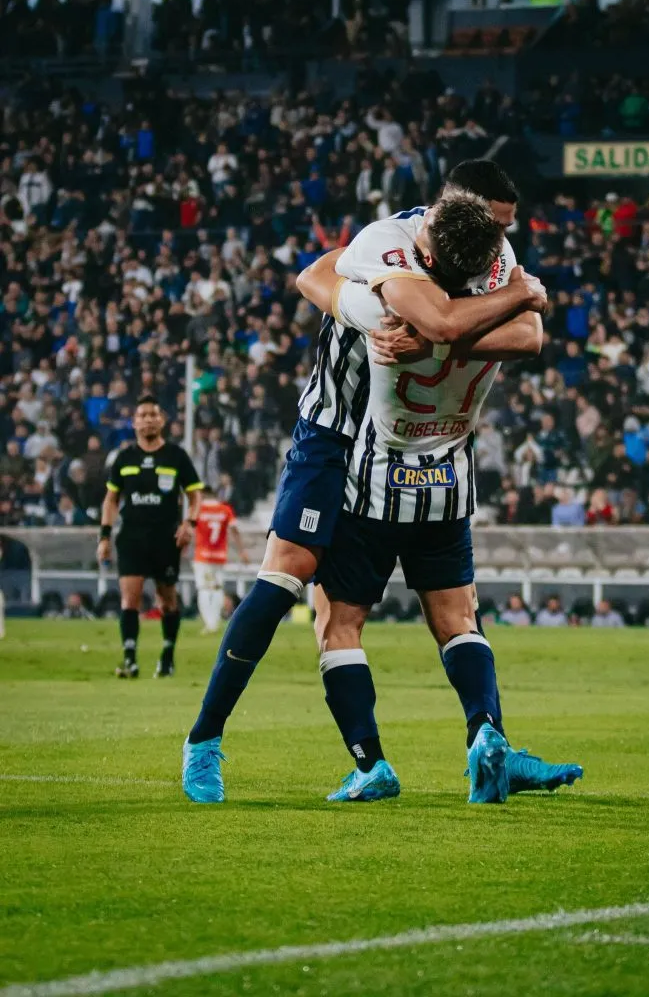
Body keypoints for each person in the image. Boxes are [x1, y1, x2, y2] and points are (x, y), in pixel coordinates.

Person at [181, 163, 549, 801]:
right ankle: (204, 742)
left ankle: (426, 754)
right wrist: (371, 312)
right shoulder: (390, 241)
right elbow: (315, 274)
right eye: (494, 223)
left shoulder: (492, 258)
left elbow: (513, 332)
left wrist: (451, 337)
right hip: (334, 433)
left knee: (428, 608)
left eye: (506, 230)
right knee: (286, 576)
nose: (502, 240)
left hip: (410, 445)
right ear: (453, 208)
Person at [291, 196, 581, 804]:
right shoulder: (501, 309)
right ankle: (487, 737)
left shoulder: (394, 302)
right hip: (447, 475)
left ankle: (370, 764)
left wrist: (425, 331)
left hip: (374, 475)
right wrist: (525, 292)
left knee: (338, 625)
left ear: (428, 249)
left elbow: (319, 277)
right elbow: (523, 334)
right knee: (458, 622)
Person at [97, 395, 203, 679]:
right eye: (141, 415)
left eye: (152, 414)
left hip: (166, 537)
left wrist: (189, 524)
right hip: (131, 535)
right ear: (134, 423)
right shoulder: (124, 458)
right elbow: (110, 500)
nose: (147, 419)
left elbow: (195, 496)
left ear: (162, 420)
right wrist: (104, 536)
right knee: (129, 598)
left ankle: (167, 657)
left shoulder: (176, 456)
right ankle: (130, 659)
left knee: (166, 599)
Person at [194, 488, 249, 634]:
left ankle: (209, 623)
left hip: (203, 556)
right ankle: (215, 621)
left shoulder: (199, 508)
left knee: (204, 588)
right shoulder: (225, 509)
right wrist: (242, 551)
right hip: (219, 555)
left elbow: (190, 528)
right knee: (217, 587)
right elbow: (234, 530)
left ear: (203, 494)